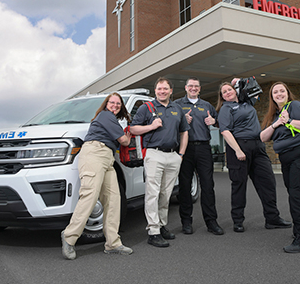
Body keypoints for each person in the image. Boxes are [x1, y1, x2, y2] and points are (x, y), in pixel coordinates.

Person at [61, 92, 133, 260]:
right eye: (112, 102)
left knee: (114, 199)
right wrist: (127, 139)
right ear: (106, 104)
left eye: (118, 104)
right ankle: (69, 236)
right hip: (94, 153)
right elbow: (124, 140)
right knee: (90, 195)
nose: (115, 105)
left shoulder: (112, 119)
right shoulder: (105, 115)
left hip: (107, 158)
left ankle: (112, 243)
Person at [216, 79, 291, 233]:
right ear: (222, 97)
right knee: (239, 185)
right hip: (239, 147)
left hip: (258, 147)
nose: (228, 93)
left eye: (229, 89)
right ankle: (238, 221)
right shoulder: (226, 108)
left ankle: (272, 218)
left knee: (267, 182)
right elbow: (225, 131)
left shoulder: (247, 101)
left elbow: (255, 86)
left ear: (235, 90)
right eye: (224, 92)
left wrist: (241, 80)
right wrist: (237, 150)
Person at [129, 77, 189, 248]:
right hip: (154, 154)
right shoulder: (146, 108)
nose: (162, 91)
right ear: (155, 91)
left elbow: (184, 132)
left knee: (165, 193)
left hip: (173, 156)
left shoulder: (177, 108)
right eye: (159, 89)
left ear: (171, 91)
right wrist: (151, 126)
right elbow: (133, 129)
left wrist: (181, 154)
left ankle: (162, 225)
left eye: (165, 89)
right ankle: (153, 231)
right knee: (152, 193)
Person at [260, 82, 300, 253]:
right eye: (275, 92)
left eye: (282, 91)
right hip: (288, 160)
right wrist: (277, 123)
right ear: (271, 97)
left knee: (297, 196)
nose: (278, 94)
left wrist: (290, 121)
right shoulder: (275, 114)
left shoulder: (295, 106)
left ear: (287, 93)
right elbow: (263, 137)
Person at [174, 77, 224, 235]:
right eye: (191, 86)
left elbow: (218, 122)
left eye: (196, 86)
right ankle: (186, 222)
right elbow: (170, 125)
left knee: (208, 186)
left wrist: (213, 120)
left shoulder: (206, 105)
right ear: (186, 87)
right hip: (185, 148)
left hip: (203, 148)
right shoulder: (177, 104)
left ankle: (211, 222)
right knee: (185, 186)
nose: (193, 88)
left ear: (200, 88)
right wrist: (181, 120)